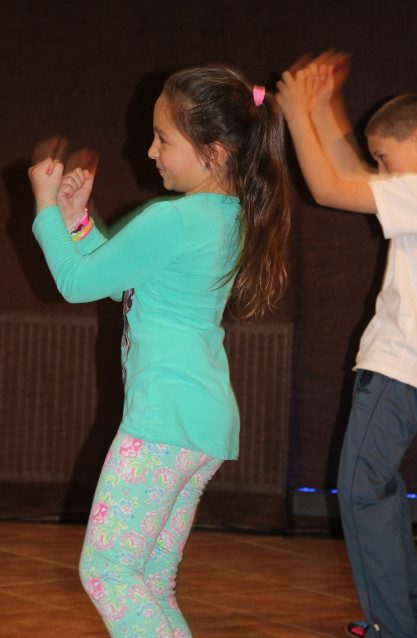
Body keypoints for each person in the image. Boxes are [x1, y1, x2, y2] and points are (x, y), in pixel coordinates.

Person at [28, 64, 290, 638]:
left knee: (107, 573)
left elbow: (76, 283)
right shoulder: (227, 216)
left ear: (213, 151)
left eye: (162, 139)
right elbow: (126, 279)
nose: (149, 151)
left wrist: (45, 208)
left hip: (163, 421)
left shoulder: (175, 218)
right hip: (200, 423)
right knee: (147, 577)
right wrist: (77, 224)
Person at [277, 56, 417, 638]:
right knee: (378, 489)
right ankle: (404, 615)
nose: (381, 169)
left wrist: (295, 115)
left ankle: (395, 625)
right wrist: (324, 107)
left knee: (362, 490)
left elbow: (330, 187)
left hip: (399, 369)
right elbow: (354, 172)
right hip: (406, 373)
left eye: (387, 156)